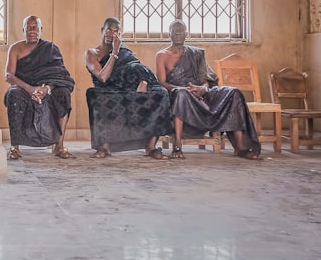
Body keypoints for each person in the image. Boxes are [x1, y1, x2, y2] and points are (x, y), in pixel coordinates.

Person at [156, 19, 261, 160]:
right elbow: (162, 83)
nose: (177, 34)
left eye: (181, 31)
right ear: (169, 34)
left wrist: (203, 88)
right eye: (174, 31)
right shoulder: (162, 55)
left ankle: (240, 147)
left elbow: (206, 80)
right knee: (181, 94)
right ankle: (178, 146)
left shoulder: (196, 54)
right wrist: (184, 89)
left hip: (200, 95)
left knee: (233, 92)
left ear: (186, 34)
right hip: (178, 94)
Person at [85, 17, 172, 159]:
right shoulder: (92, 53)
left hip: (135, 85)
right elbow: (103, 77)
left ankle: (151, 148)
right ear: (102, 31)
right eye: (108, 30)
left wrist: (143, 81)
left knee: (161, 93)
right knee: (95, 95)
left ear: (119, 35)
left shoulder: (126, 52)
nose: (111, 34)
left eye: (115, 31)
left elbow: (137, 66)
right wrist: (114, 52)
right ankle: (104, 147)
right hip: (110, 87)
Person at [4, 15, 75, 160]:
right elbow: (9, 76)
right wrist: (30, 89)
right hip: (24, 88)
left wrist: (46, 89)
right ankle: (14, 147)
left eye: (35, 27)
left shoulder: (51, 49)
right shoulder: (15, 48)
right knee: (13, 94)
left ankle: (59, 146)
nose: (32, 31)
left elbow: (60, 75)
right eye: (28, 28)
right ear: (23, 30)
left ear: (41, 30)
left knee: (64, 93)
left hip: (46, 88)